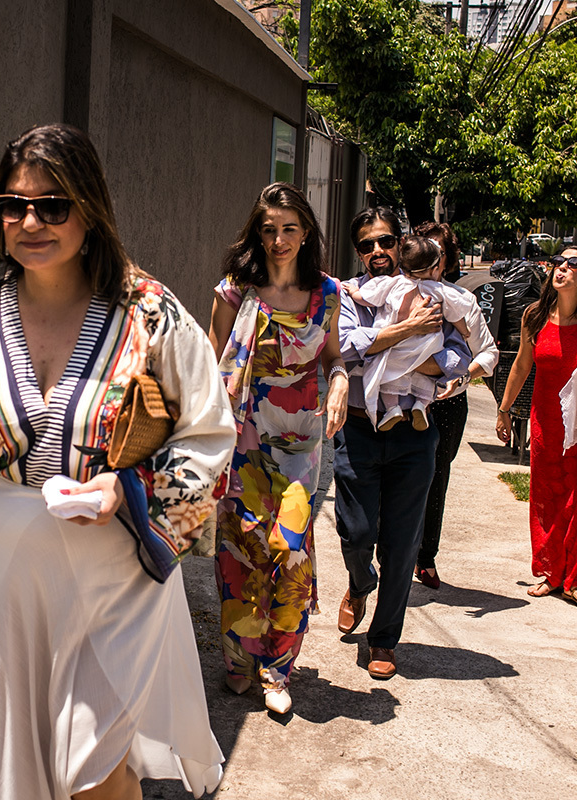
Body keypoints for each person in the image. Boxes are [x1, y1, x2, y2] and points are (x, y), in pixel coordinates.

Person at [0, 123, 234, 800]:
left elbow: (210, 431)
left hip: (114, 568)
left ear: (90, 208)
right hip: (6, 571)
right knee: (15, 764)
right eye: (12, 204)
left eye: (53, 204)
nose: (31, 221)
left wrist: (133, 491)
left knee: (95, 769)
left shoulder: (148, 312)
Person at [208, 183, 347, 716]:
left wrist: (339, 383)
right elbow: (216, 362)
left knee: (291, 551)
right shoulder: (234, 292)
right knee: (242, 549)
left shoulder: (328, 294)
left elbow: (333, 358)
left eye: (290, 228)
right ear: (257, 234)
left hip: (299, 444)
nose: (279, 238)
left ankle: (276, 670)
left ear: (306, 231)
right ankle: (239, 663)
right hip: (243, 436)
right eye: (269, 229)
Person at [333, 207, 471, 680]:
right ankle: (358, 582)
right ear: (358, 251)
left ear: (400, 243)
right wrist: (411, 333)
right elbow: (346, 348)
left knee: (401, 542)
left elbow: (458, 358)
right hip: (357, 431)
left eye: (386, 242)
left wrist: (403, 355)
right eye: (368, 245)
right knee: (355, 533)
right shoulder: (346, 296)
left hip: (414, 435)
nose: (378, 251)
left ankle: (384, 638)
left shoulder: (433, 294)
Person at [493, 245, 577, 613]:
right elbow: (521, 366)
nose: (562, 269)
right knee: (546, 497)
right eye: (557, 262)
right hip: (545, 423)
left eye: (573, 264)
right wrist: (505, 410)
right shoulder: (535, 316)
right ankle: (552, 572)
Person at [412, 221, 499, 589]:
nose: (432, 260)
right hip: (399, 400)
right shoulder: (396, 293)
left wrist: (462, 377)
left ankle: (425, 556)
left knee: (435, 477)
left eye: (439, 252)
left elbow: (488, 352)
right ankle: (389, 550)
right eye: (424, 251)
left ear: (447, 260)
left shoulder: (461, 300)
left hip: (447, 404)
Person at [343, 235, 473, 431]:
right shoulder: (439, 290)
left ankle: (392, 408)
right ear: (434, 268)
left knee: (389, 378)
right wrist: (465, 331)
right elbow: (456, 315)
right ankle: (421, 404)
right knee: (425, 381)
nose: (378, 250)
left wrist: (353, 291)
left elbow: (366, 298)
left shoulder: (393, 284)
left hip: (397, 346)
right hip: (426, 346)